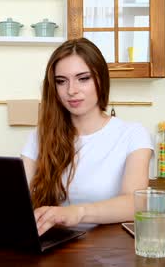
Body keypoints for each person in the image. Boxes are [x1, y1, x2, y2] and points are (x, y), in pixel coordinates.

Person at [21, 38, 153, 236]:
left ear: (101, 79)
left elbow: (136, 203)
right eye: (61, 81)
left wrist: (78, 212)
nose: (71, 90)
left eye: (83, 78)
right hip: (54, 249)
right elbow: (18, 198)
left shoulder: (132, 134)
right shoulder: (39, 137)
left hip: (109, 252)